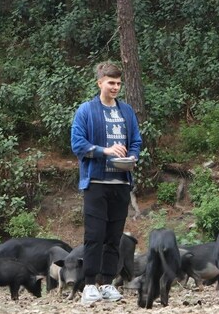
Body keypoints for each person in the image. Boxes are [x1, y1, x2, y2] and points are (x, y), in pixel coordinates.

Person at [71, 61, 142, 305]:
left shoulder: (127, 112)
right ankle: (89, 284)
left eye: (119, 83)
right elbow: (78, 144)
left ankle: (107, 284)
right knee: (95, 235)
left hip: (121, 182)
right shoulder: (86, 111)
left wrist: (132, 156)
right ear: (100, 82)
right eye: (111, 83)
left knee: (114, 236)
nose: (115, 87)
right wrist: (105, 150)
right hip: (96, 182)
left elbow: (136, 141)